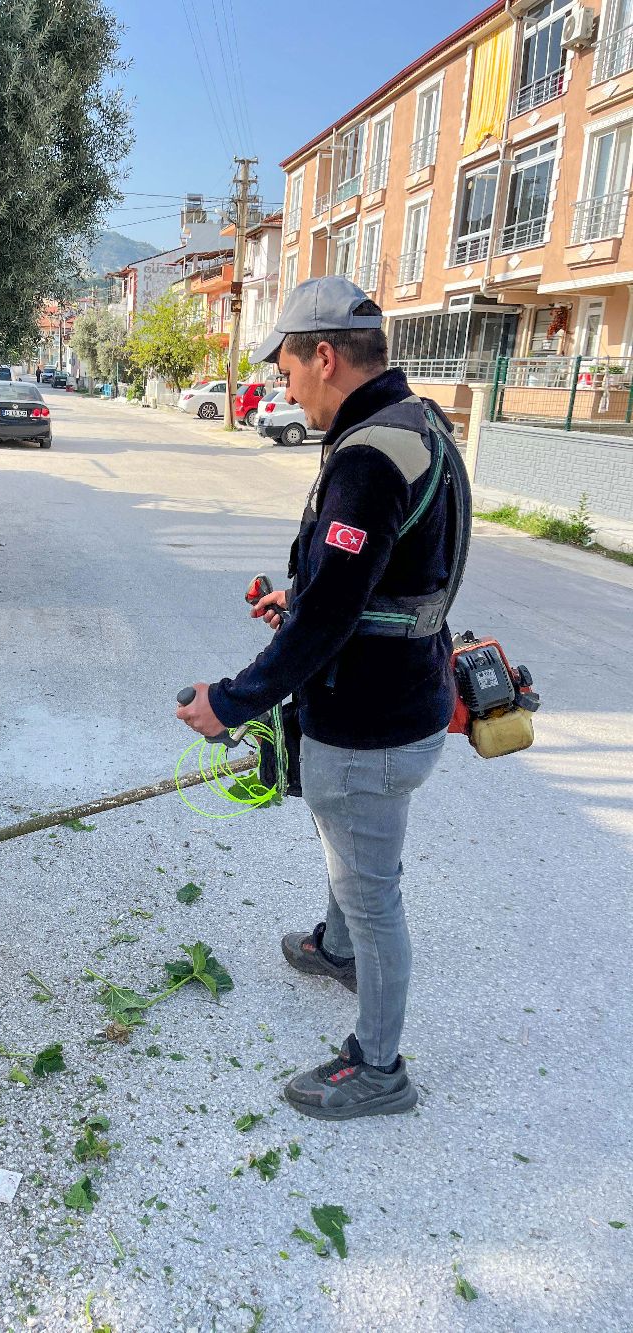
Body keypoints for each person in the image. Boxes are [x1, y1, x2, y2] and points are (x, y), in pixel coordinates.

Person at [176, 275, 468, 1121]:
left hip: (371, 724)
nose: (285, 386)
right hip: (404, 699)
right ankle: (337, 949)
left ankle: (378, 1067)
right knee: (353, 847)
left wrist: (232, 701)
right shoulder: (418, 424)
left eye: (288, 369)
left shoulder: (369, 457)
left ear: (326, 356)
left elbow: (333, 616)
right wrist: (303, 597)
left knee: (373, 891)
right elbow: (386, 578)